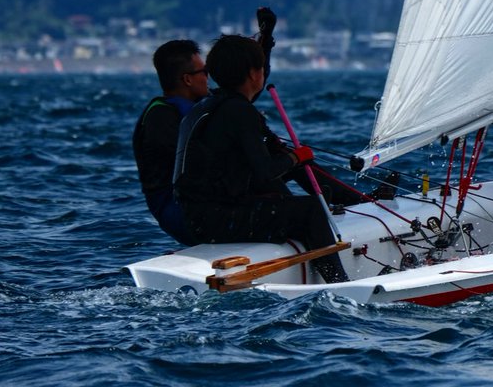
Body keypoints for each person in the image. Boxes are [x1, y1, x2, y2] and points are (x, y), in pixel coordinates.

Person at [173, 33, 349, 283]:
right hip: (216, 220)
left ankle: (336, 205)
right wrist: (296, 157)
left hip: (192, 219)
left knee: (287, 197)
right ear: (255, 75)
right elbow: (265, 171)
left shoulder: (205, 106)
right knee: (311, 210)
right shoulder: (240, 111)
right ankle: (339, 282)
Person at [132, 39, 211, 245]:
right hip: (174, 208)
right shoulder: (160, 117)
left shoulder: (197, 106)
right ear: (187, 79)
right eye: (204, 72)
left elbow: (247, 88)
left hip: (200, 202)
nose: (208, 77)